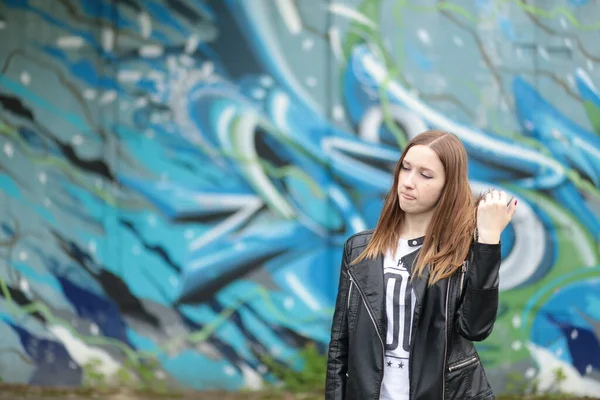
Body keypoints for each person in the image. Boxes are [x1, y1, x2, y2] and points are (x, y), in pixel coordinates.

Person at [325, 130, 517, 400]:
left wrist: (487, 242)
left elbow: (476, 328)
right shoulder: (360, 249)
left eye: (425, 175)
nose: (408, 182)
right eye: (405, 168)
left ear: (447, 186)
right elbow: (339, 346)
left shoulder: (460, 252)